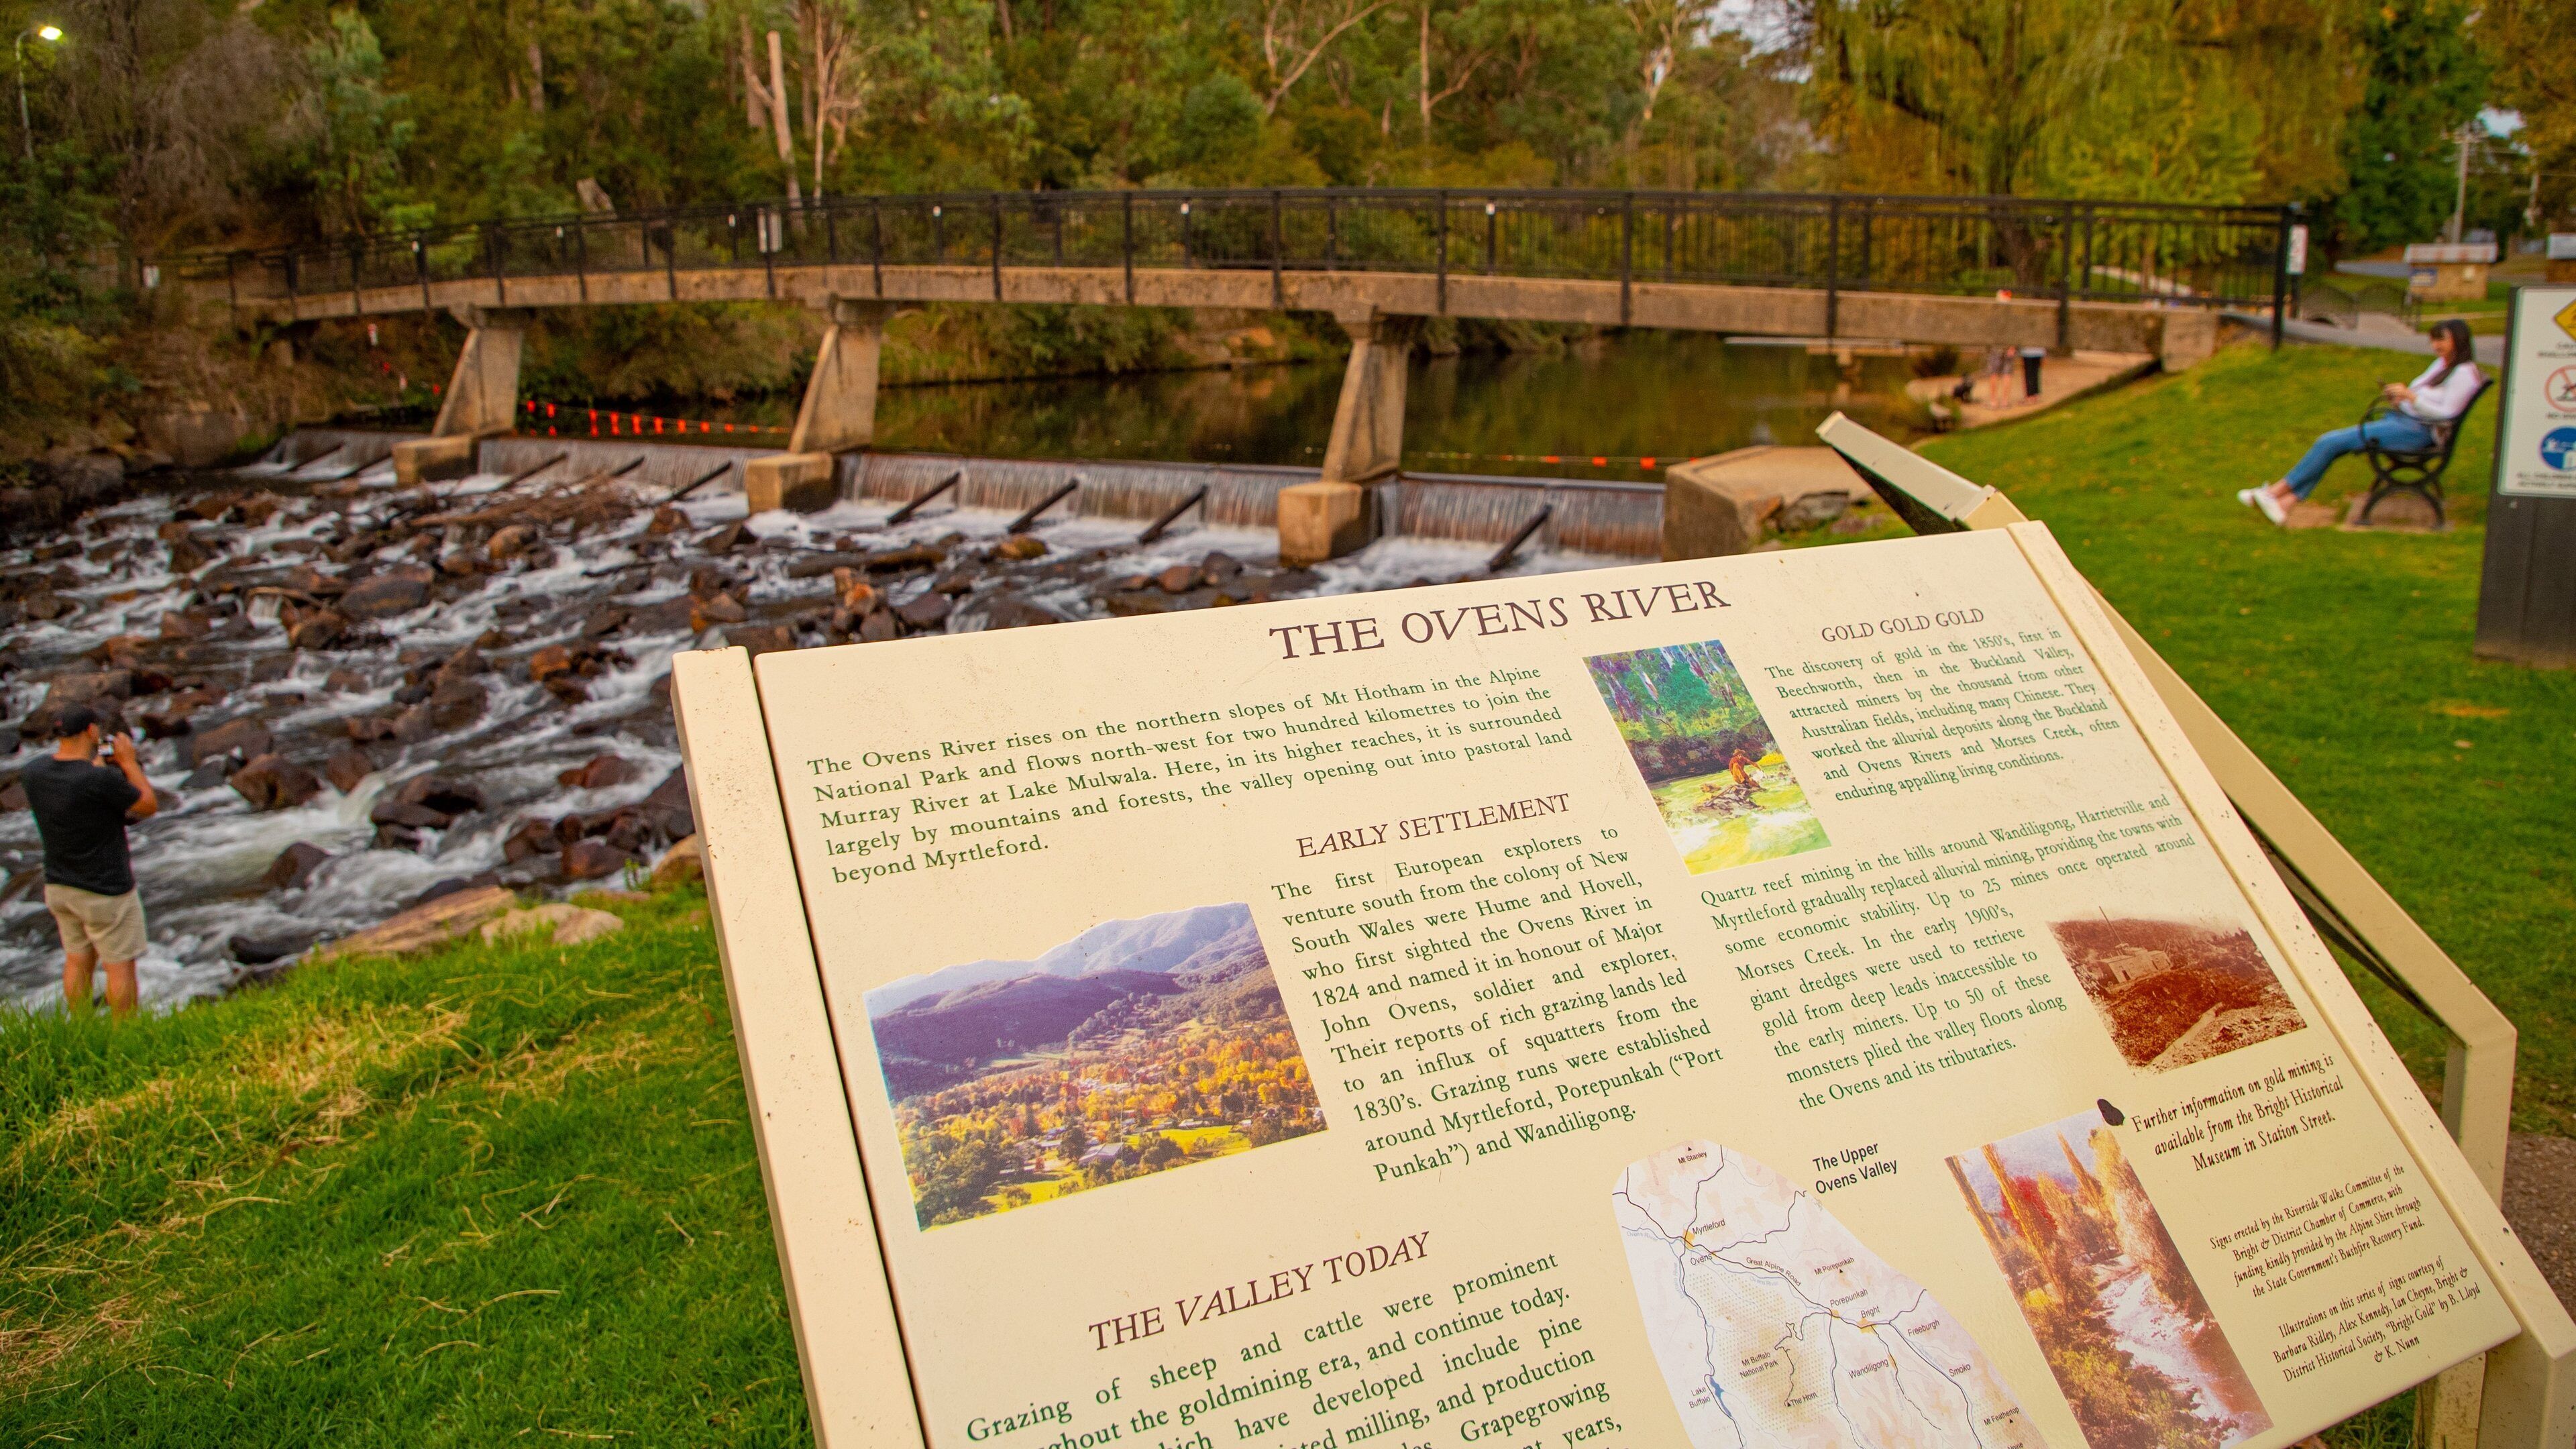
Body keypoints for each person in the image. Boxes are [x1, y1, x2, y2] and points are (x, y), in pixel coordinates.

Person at [2239, 319, 2481, 525]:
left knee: (2329, 442)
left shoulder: (2464, 374)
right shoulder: (2444, 366)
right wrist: (2401, 400)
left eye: (2442, 340)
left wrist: (2411, 397)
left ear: (2458, 341)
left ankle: (2274, 494)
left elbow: (2445, 416)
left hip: (2418, 433)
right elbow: (2424, 401)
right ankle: (2284, 503)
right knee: (2333, 445)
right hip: (2407, 422)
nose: (2436, 345)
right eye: (2434, 340)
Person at [21, 704, 158, 1017]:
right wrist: (128, 762)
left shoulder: (33, 773)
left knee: (77, 959)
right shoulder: (100, 781)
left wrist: (97, 766)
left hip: (60, 886)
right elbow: (148, 805)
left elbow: (75, 786)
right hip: (106, 890)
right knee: (119, 966)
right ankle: (125, 1036)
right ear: (92, 731)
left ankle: (81, 1028)